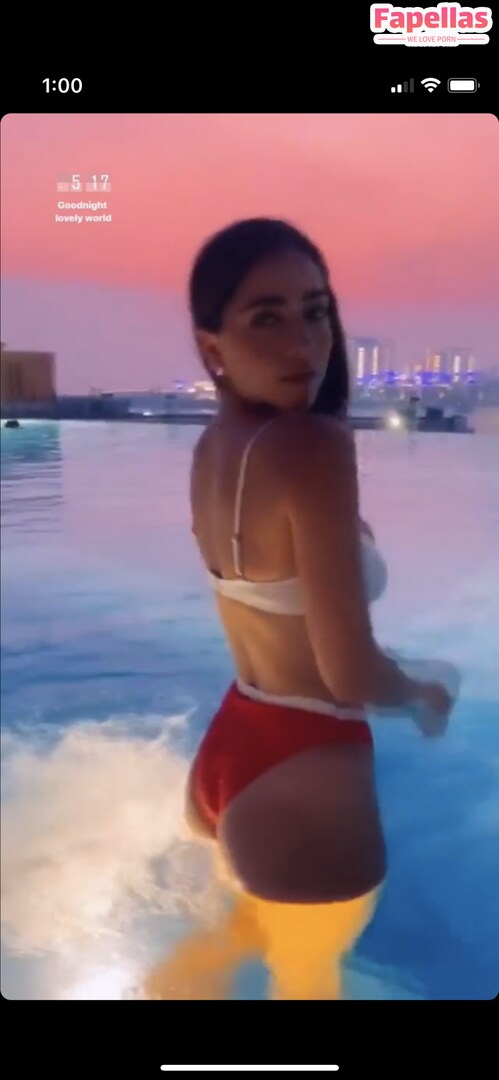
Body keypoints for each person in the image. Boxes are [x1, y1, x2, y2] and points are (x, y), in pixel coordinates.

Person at [142, 217, 455, 1001]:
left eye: (315, 313)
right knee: (308, 985)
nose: (303, 344)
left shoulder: (216, 446)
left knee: (231, 949)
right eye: (266, 318)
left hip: (231, 751)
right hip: (308, 770)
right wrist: (419, 691)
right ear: (211, 346)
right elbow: (348, 673)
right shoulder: (313, 448)